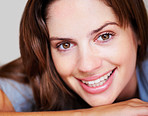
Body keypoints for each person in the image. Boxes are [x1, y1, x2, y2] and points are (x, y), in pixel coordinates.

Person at [0, 0, 148, 115]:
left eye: (105, 36)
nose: (87, 66)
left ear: (137, 31)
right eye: (65, 45)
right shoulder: (40, 74)